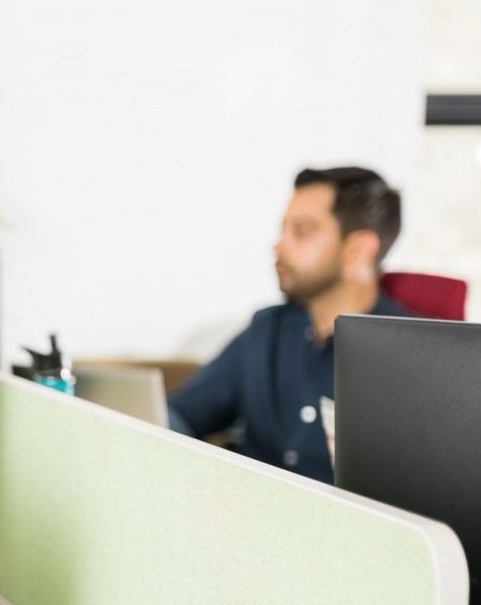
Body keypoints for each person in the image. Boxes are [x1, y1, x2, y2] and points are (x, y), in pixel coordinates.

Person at [167, 166, 410, 483]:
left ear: (358, 250)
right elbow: (182, 414)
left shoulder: (413, 356)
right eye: (283, 229)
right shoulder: (266, 329)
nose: (279, 246)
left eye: (302, 231)